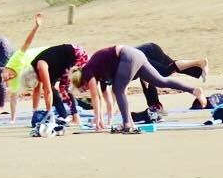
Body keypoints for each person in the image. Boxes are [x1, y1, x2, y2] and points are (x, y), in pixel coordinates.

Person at [73, 45, 207, 133]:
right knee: (160, 81)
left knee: (118, 90)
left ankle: (127, 124)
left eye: (83, 88)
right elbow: (105, 96)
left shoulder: (88, 71)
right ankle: (194, 90)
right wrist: (103, 118)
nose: (87, 90)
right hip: (135, 55)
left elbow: (96, 97)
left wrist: (97, 118)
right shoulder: (97, 71)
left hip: (128, 55)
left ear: (82, 81)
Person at [21, 42, 89, 125]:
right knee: (53, 88)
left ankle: (76, 118)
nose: (40, 81)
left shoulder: (40, 66)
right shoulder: (34, 70)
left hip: (76, 55)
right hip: (61, 64)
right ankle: (63, 116)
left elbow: (47, 91)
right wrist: (34, 111)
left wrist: (49, 113)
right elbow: (37, 91)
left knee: (63, 89)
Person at [135, 44, 208, 112]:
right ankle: (155, 105)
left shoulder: (126, 66)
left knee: (165, 71)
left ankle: (198, 64)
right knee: (164, 69)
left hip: (148, 53)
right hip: (150, 49)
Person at [0, 12, 45, 121]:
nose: (9, 77)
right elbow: (13, 99)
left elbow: (27, 43)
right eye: (7, 80)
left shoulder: (15, 60)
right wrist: (12, 119)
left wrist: (36, 27)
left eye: (6, 76)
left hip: (44, 55)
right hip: (36, 69)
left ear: (4, 69)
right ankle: (35, 113)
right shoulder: (13, 80)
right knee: (37, 86)